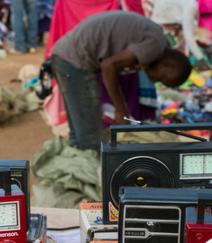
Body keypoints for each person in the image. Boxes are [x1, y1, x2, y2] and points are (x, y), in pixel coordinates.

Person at [50, 11, 192, 152]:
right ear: (168, 65)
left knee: (80, 134)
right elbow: (108, 65)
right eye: (162, 79)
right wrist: (120, 107)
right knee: (90, 140)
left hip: (66, 56)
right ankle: (88, 172)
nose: (154, 81)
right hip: (75, 62)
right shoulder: (155, 46)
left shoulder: (157, 40)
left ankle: (79, 168)